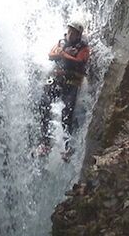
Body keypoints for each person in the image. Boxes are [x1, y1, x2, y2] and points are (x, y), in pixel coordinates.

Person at [37, 19, 90, 157]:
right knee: (43, 103)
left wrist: (63, 54)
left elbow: (79, 61)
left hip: (72, 83)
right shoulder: (62, 42)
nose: (70, 34)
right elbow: (51, 55)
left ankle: (69, 147)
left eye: (74, 32)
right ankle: (45, 142)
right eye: (70, 31)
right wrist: (64, 53)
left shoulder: (83, 47)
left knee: (68, 111)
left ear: (79, 35)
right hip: (58, 80)